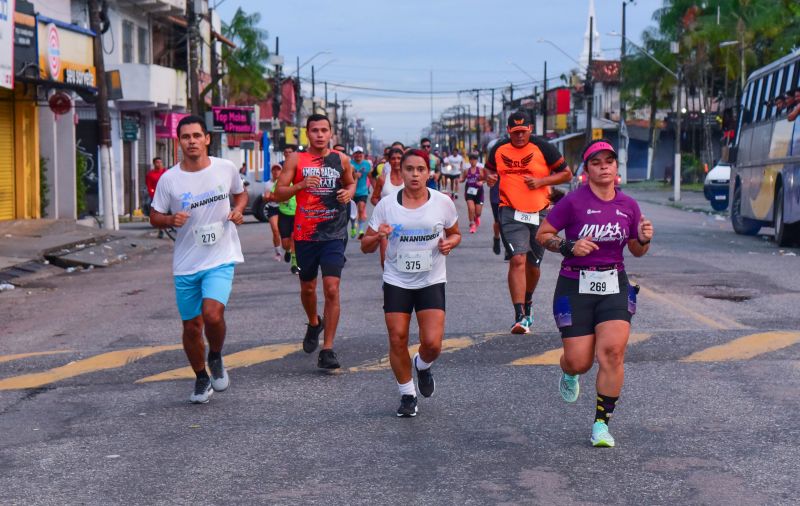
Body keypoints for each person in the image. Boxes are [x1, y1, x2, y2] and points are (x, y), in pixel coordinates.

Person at [535, 139, 653, 447]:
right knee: (580, 362)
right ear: (586, 170)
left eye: (609, 161)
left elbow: (637, 250)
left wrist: (643, 238)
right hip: (574, 284)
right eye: (596, 162)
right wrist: (568, 246)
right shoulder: (572, 202)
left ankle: (601, 424)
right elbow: (543, 234)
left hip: (614, 284)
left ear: (616, 168)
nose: (604, 167)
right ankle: (569, 371)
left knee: (612, 352)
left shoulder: (628, 205)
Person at [149, 115, 247, 404]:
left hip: (221, 255)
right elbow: (154, 216)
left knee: (213, 314)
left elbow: (240, 195)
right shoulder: (169, 179)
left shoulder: (225, 168)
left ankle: (215, 355)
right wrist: (170, 218)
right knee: (191, 326)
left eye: (196, 136)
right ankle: (201, 377)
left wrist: (238, 210)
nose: (191, 141)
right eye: (185, 137)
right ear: (179, 142)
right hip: (186, 262)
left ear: (207, 139)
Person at [360, 149, 461, 417]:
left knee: (433, 344)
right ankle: (407, 394)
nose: (415, 174)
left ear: (429, 172)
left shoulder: (442, 202)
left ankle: (423, 366)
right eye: (409, 169)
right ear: (400, 172)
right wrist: (378, 236)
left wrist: (450, 242)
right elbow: (365, 246)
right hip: (397, 280)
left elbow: (455, 233)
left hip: (431, 279)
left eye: (420, 169)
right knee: (397, 338)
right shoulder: (386, 206)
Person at [274, 114, 356, 369]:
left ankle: (328, 349)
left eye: (324, 130)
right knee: (308, 289)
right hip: (306, 234)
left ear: (330, 133)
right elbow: (278, 194)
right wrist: (300, 185)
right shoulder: (296, 159)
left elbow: (351, 182)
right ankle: (313, 322)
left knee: (332, 288)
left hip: (333, 233)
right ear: (306, 134)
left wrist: (348, 193)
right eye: (314, 130)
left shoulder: (341, 159)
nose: (319, 135)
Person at [484, 111, 572, 334]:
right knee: (517, 259)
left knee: (533, 265)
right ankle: (519, 315)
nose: (520, 136)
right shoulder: (499, 149)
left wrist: (542, 181)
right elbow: (489, 171)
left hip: (540, 212)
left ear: (530, 129)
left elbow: (566, 174)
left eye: (523, 132)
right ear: (508, 131)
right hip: (510, 210)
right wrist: (490, 178)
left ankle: (529, 301)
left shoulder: (544, 148)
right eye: (515, 133)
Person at [371, 147, 405, 267]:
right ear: (389, 161)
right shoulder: (382, 179)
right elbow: (374, 198)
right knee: (385, 261)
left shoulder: (409, 178)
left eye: (399, 158)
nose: (396, 161)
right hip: (387, 224)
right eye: (393, 158)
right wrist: (383, 207)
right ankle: (388, 284)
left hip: (406, 222)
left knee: (405, 256)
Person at [350, 146, 372, 239]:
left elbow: (371, 176)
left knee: (361, 208)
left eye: (360, 153)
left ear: (362, 154)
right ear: (353, 155)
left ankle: (361, 230)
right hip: (352, 191)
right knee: (352, 212)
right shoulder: (349, 164)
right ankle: (352, 226)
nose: (358, 155)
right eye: (356, 153)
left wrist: (375, 189)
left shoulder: (367, 164)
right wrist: (353, 175)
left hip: (363, 191)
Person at [263, 164, 283, 261]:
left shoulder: (285, 183)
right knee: (275, 230)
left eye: (278, 170)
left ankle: (289, 251)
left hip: (284, 209)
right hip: (273, 208)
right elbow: (265, 197)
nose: (276, 172)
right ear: (271, 172)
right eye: (274, 170)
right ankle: (278, 252)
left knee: (287, 233)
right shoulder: (267, 184)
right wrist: (268, 197)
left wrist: (273, 196)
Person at [461, 153, 485, 233]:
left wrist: (482, 182)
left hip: (479, 192)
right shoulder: (466, 171)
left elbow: (485, 179)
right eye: (471, 159)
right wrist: (459, 180)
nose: (472, 161)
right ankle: (472, 224)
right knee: (471, 208)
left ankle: (476, 217)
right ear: (469, 160)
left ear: (476, 161)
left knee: (478, 212)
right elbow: (463, 179)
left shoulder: (480, 170)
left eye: (474, 160)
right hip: (469, 192)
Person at [145, 157, 167, 238]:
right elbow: (149, 186)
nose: (159, 164)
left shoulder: (166, 172)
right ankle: (160, 229)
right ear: (154, 163)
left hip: (166, 194)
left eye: (160, 162)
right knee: (149, 205)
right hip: (155, 195)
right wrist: (152, 194)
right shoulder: (150, 174)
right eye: (157, 162)